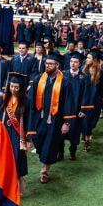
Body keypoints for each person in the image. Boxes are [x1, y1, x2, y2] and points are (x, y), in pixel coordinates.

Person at [27, 53, 75, 183]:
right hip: (40, 118)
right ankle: (46, 158)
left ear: (57, 65)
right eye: (46, 63)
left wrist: (66, 123)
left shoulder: (65, 81)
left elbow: (69, 102)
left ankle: (44, 171)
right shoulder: (38, 79)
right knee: (39, 142)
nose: (47, 66)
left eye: (50, 64)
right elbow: (31, 100)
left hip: (55, 120)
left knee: (49, 145)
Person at [0, 72, 28, 195]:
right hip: (4, 134)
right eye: (11, 86)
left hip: (17, 136)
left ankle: (19, 189)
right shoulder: (3, 99)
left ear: (21, 88)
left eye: (16, 87)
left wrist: (28, 138)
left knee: (17, 161)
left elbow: (28, 119)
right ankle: (5, 187)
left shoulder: (25, 101)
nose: (13, 89)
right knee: (3, 161)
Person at [81, 50, 103, 152]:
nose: (87, 60)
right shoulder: (83, 71)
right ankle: (86, 141)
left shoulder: (102, 72)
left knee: (92, 122)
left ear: (94, 60)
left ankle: (87, 133)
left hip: (96, 101)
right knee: (86, 122)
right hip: (84, 101)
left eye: (89, 58)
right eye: (87, 57)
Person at [62, 52, 89, 160]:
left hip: (76, 109)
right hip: (63, 108)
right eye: (71, 61)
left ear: (80, 64)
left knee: (74, 132)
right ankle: (60, 152)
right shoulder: (63, 75)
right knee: (60, 132)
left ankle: (73, 151)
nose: (73, 64)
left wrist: (83, 109)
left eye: (75, 62)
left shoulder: (84, 78)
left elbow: (86, 94)